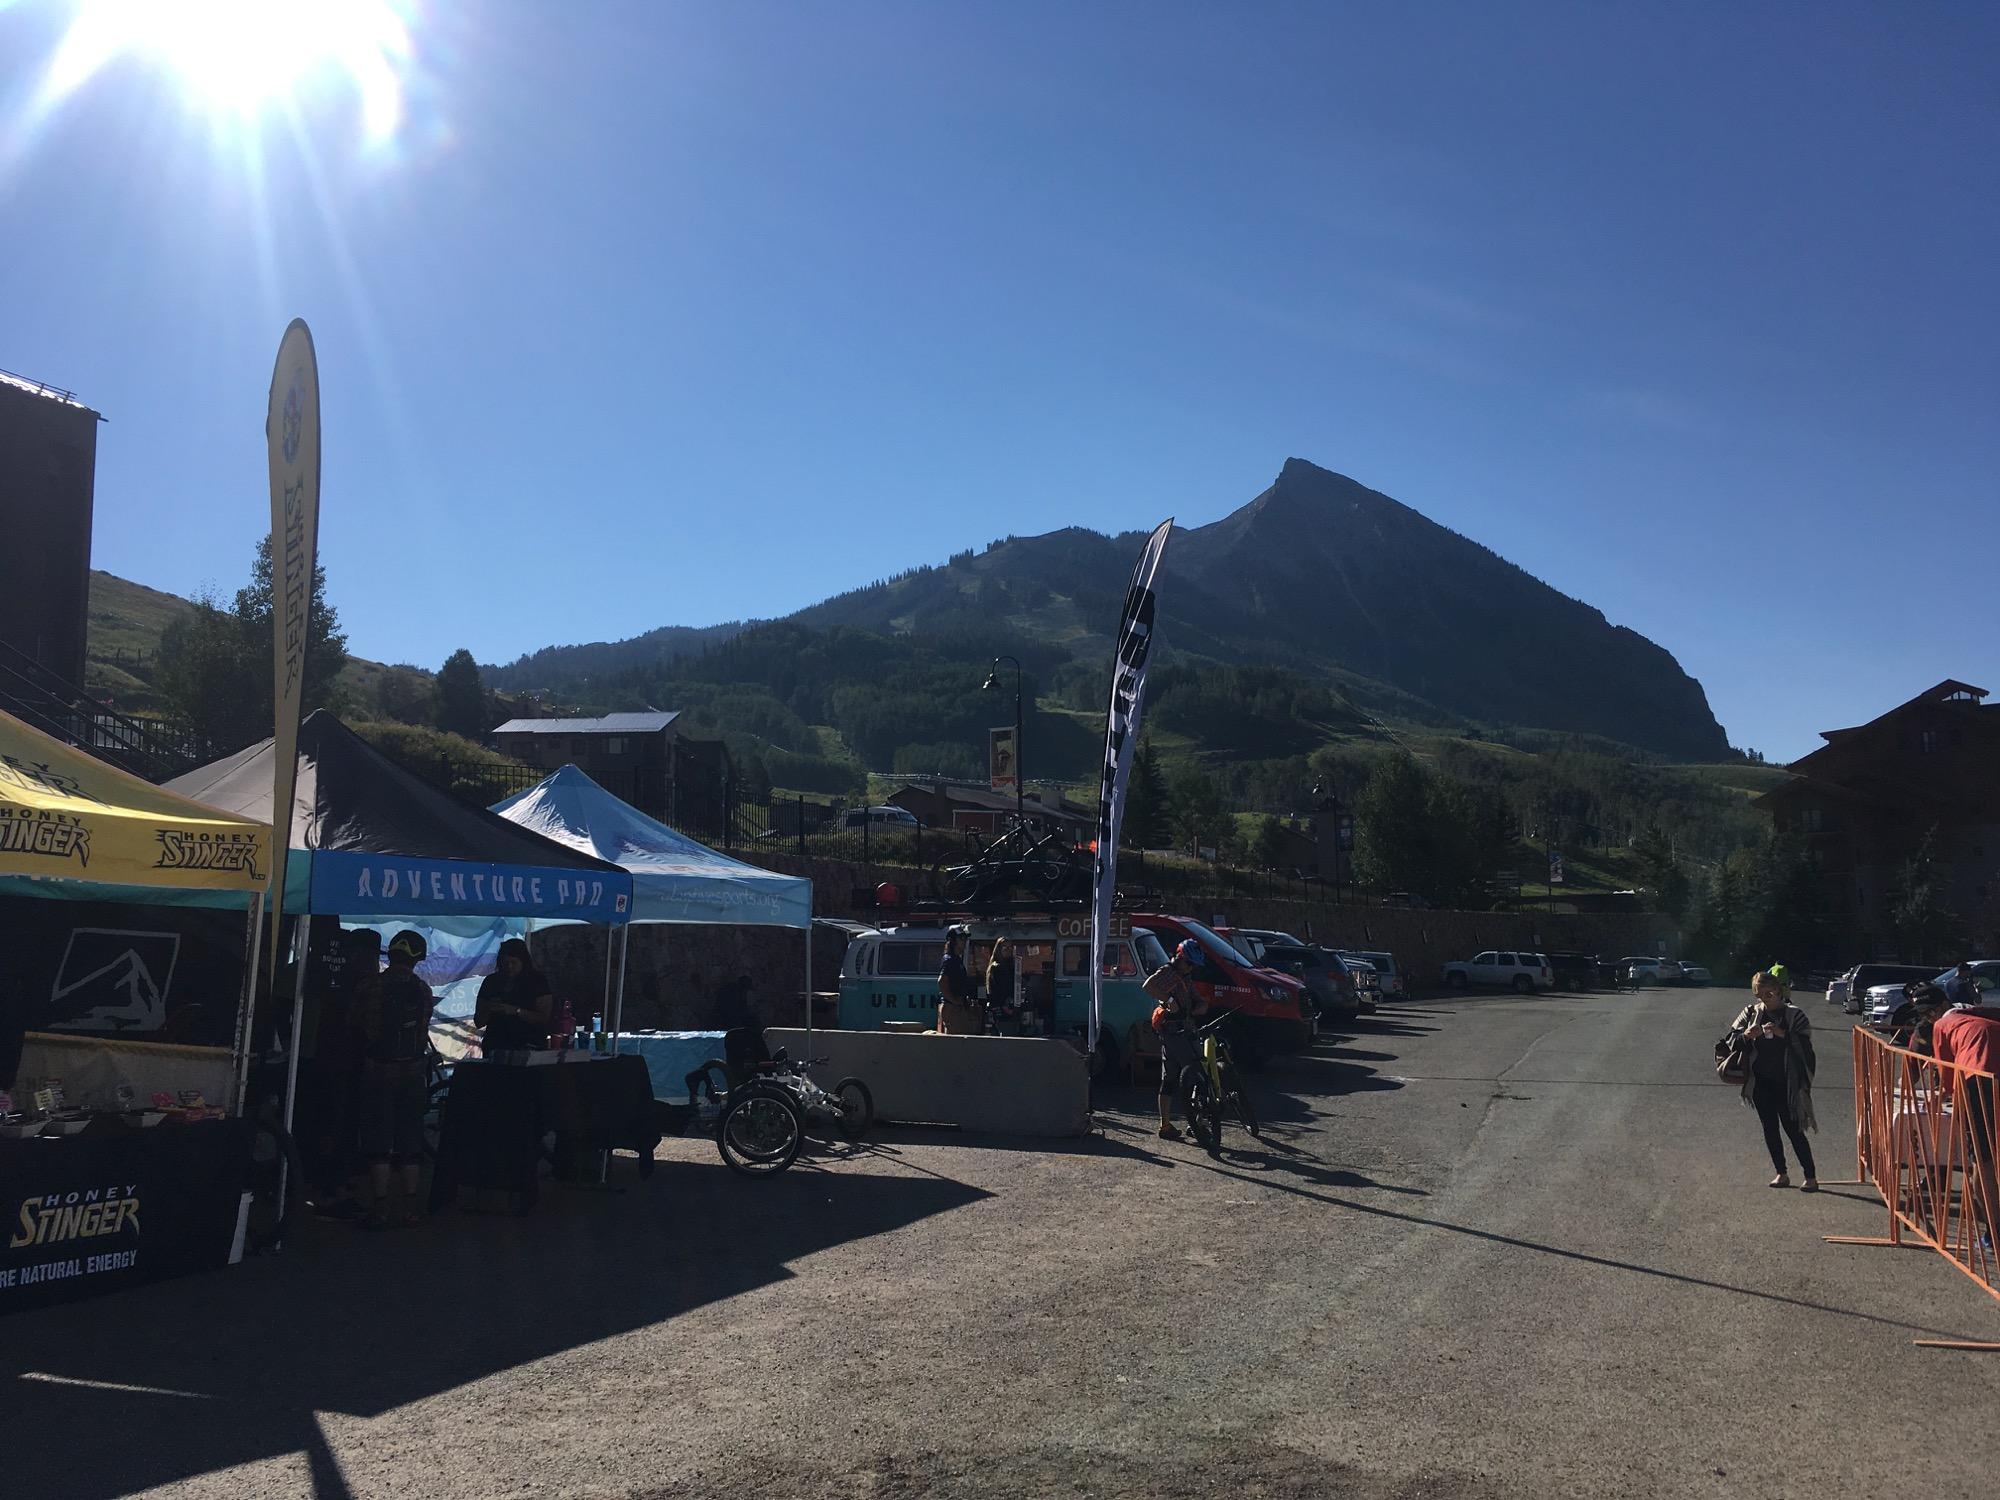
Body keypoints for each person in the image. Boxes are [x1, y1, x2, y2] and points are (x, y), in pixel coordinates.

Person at [355, 930, 437, 1229]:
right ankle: (411, 1208)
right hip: (413, 1073)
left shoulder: (369, 987)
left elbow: (357, 1024)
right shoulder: (423, 990)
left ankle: (380, 1208)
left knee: (379, 1140)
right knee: (410, 1139)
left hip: (377, 1071)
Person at [1723, 970, 1818, 1190]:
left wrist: (1782, 1033)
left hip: (1788, 1083)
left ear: (1779, 990)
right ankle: (1781, 1173)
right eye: (1761, 995)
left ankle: (1811, 1177)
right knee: (1770, 1129)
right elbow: (1730, 1041)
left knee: (1794, 1129)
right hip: (1760, 1082)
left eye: (1771, 993)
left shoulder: (1795, 1015)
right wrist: (1747, 1035)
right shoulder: (1750, 1013)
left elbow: (1806, 1047)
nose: (1767, 999)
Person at [1931, 1003, 2000, 1250]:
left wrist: (1949, 1099)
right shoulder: (1983, 1015)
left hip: (1978, 1081)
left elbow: (1947, 1074)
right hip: (1984, 1076)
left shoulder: (1941, 1025)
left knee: (1981, 1162)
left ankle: (1995, 1232)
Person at [1143, 939, 1210, 1142]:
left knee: (1169, 1080)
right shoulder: (1168, 972)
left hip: (1173, 1033)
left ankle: (1166, 1125)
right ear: (1180, 958)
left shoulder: (1184, 976)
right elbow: (1148, 986)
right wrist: (1170, 1001)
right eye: (1189, 963)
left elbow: (1195, 998)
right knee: (1197, 1072)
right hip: (1176, 1033)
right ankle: (1197, 1123)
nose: (1191, 969)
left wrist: (1200, 1005)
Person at [474, 938, 554, 1055]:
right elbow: (478, 1022)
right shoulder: (491, 982)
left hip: (529, 1046)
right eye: (505, 963)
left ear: (523, 962)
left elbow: (544, 1017)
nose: (509, 967)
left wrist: (516, 1011)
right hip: (496, 1046)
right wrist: (489, 1008)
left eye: (513, 962)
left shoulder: (537, 981)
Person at [937, 930, 981, 1035]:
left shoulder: (957, 960)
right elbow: (941, 982)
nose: (965, 941)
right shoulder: (949, 960)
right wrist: (954, 1001)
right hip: (952, 1008)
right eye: (961, 938)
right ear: (953, 941)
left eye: (965, 938)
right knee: (956, 1041)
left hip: (959, 1007)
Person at [985, 937, 1016, 1014]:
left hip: (1009, 1006)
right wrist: (1004, 1006)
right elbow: (1000, 990)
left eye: (1011, 947)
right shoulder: (996, 967)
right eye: (1005, 948)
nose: (1009, 950)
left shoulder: (1011, 966)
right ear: (999, 950)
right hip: (1000, 1008)